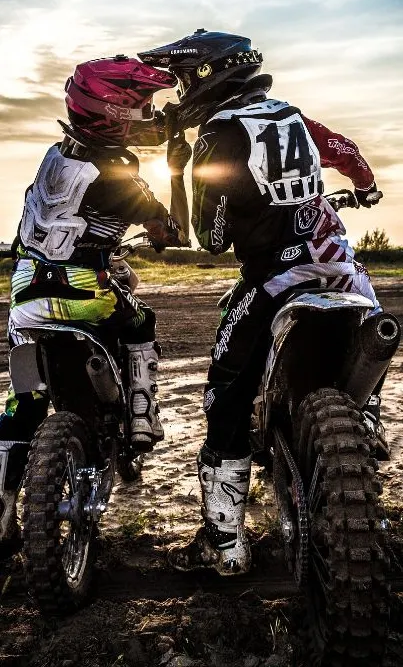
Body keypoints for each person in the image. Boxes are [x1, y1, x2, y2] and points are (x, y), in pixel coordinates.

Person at [139, 29, 387, 576]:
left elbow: (212, 238)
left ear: (208, 76)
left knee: (226, 394)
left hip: (274, 279)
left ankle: (225, 544)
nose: (179, 93)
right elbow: (346, 153)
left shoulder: (220, 134)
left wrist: (182, 172)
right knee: (370, 344)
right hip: (342, 272)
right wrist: (364, 187)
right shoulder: (292, 115)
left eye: (182, 79)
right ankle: (367, 425)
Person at [0, 53, 187, 546]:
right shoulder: (117, 176)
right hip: (84, 292)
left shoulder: (56, 159)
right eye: (141, 105)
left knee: (26, 399)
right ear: (114, 111)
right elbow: (167, 230)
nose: (149, 114)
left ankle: (2, 506)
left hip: (26, 294)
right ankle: (143, 414)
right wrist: (171, 188)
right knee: (141, 322)